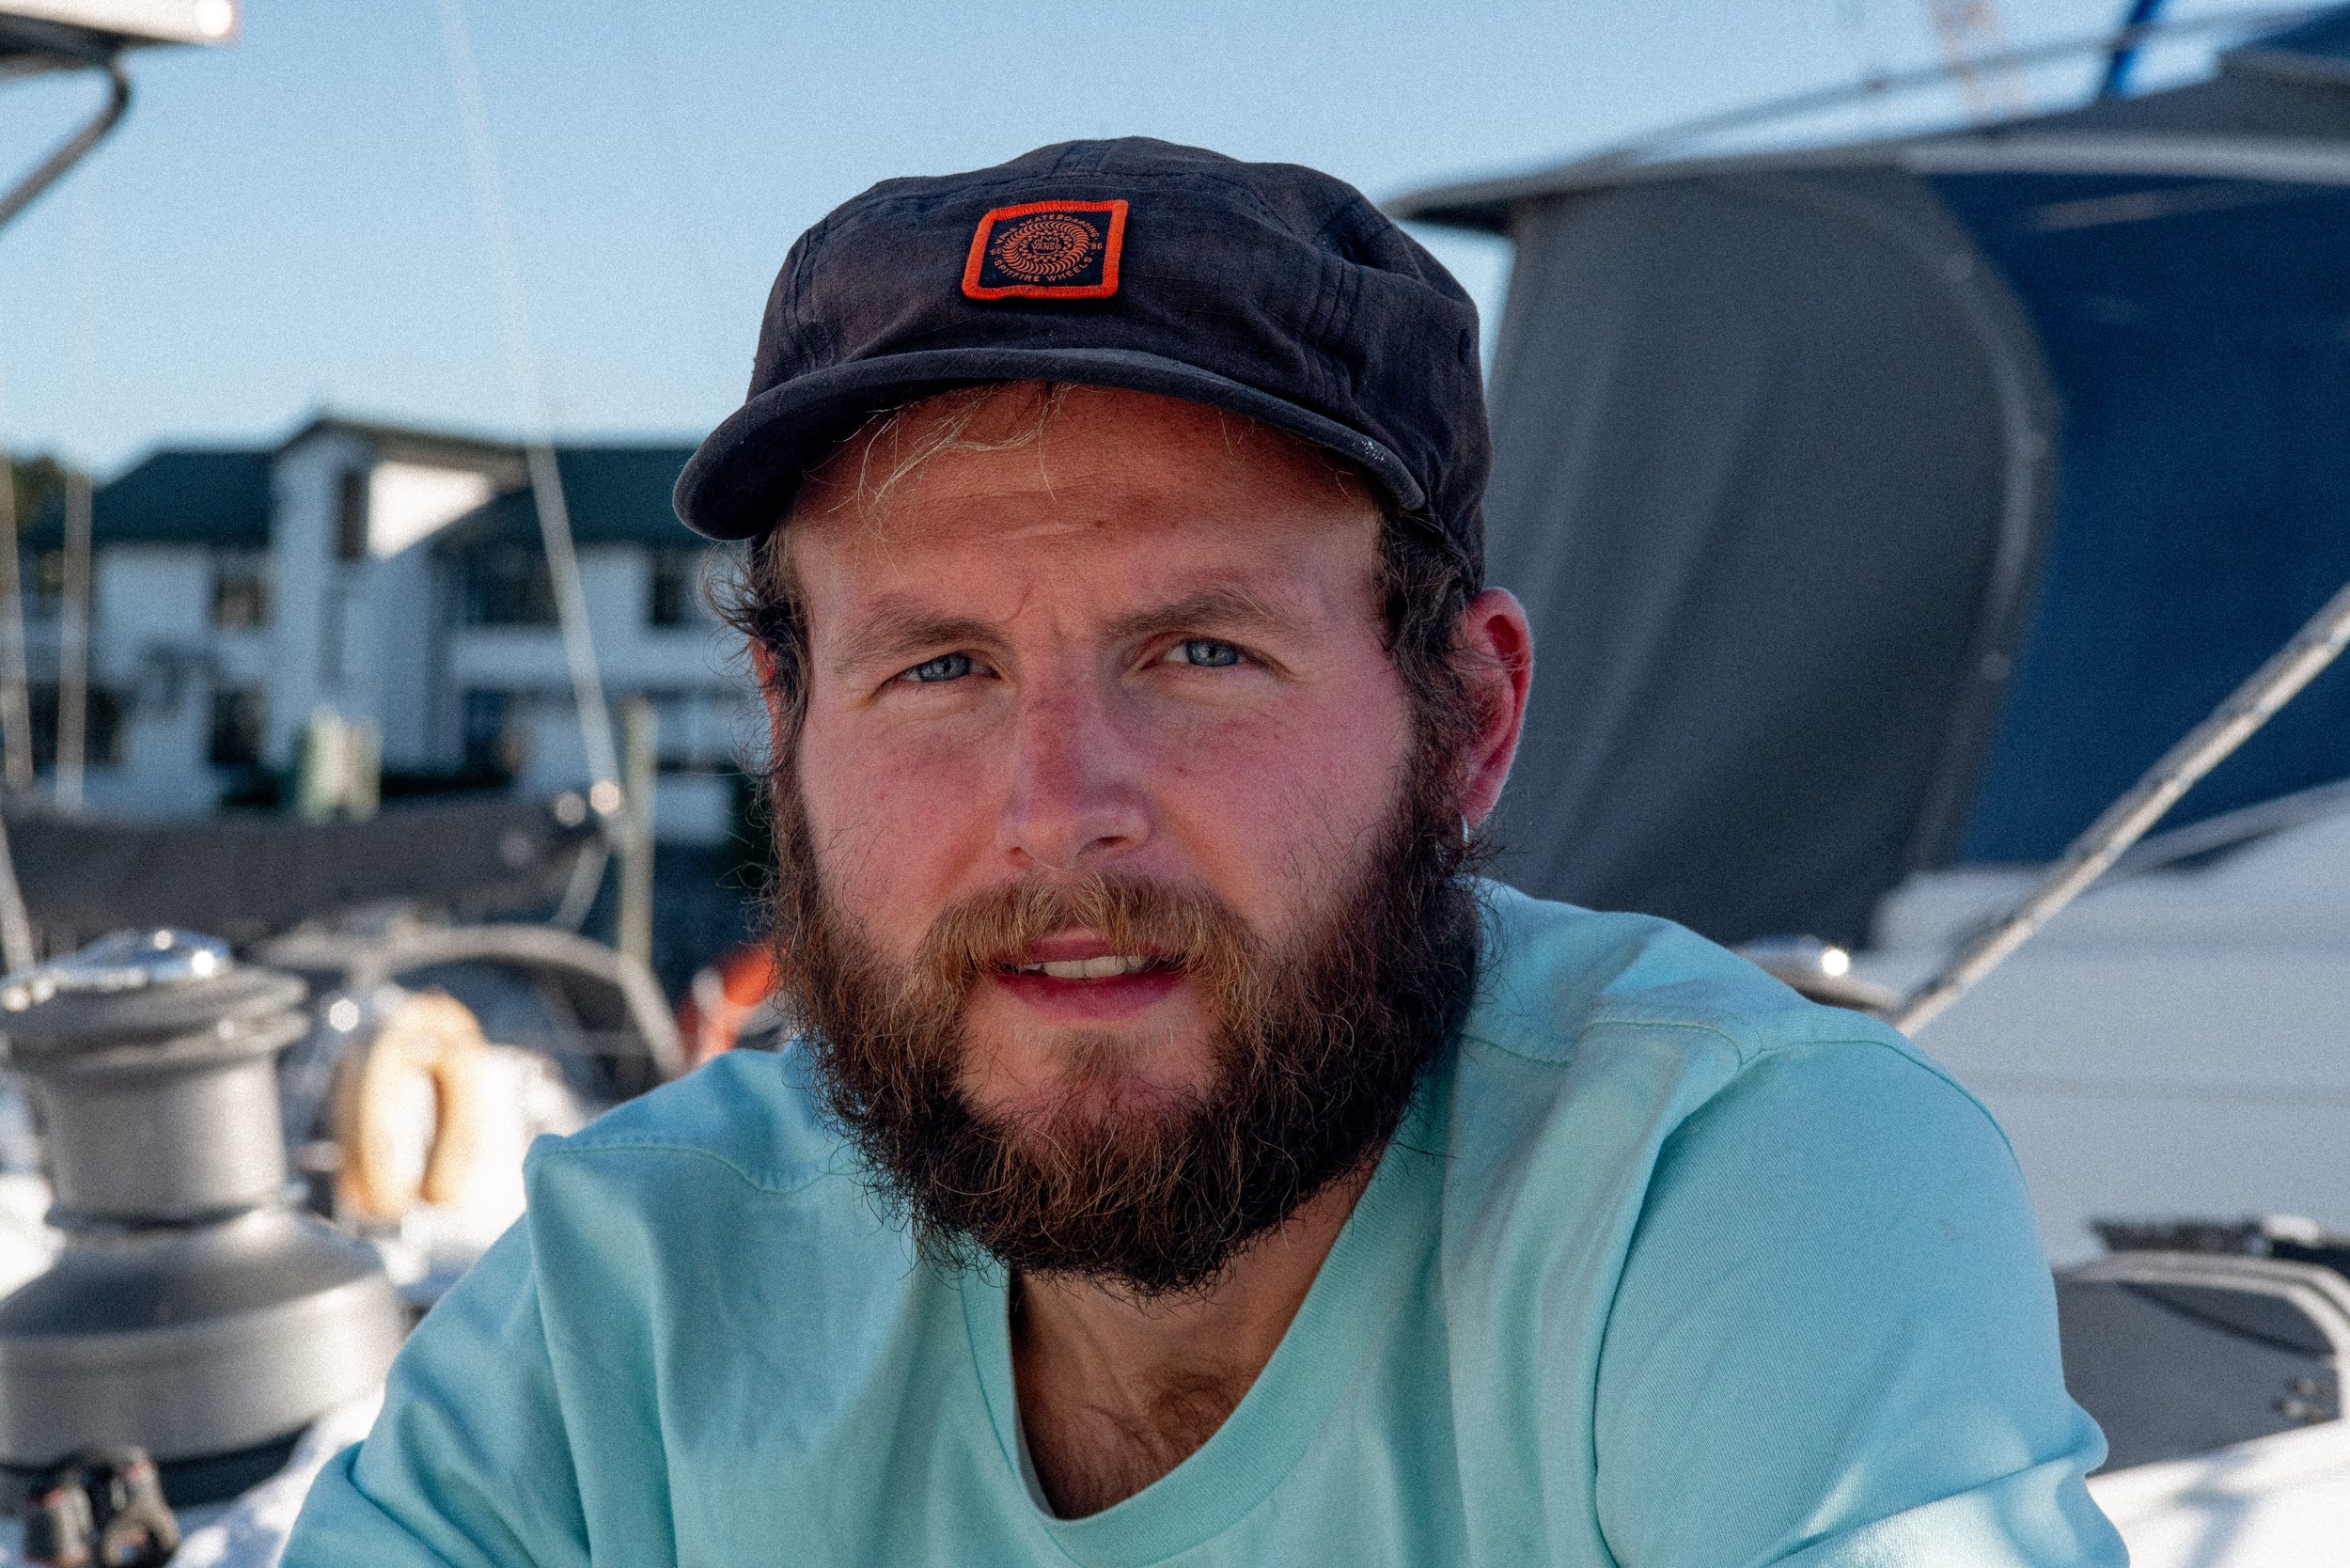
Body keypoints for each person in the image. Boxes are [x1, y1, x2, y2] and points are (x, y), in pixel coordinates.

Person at [285, 138, 2123, 1567]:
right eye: (938, 668)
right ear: (787, 731)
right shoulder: (642, 1286)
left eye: (1199, 654)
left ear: (1465, 721)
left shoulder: (1723, 1192)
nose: (1055, 806)